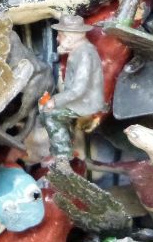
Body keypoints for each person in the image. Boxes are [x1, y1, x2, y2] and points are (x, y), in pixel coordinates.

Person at [39, 15, 104, 158]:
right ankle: (65, 140)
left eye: (60, 35)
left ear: (69, 38)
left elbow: (78, 90)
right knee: (43, 106)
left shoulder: (85, 54)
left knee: (50, 114)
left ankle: (62, 156)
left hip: (86, 103)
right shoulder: (79, 50)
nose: (57, 39)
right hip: (80, 99)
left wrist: (55, 100)